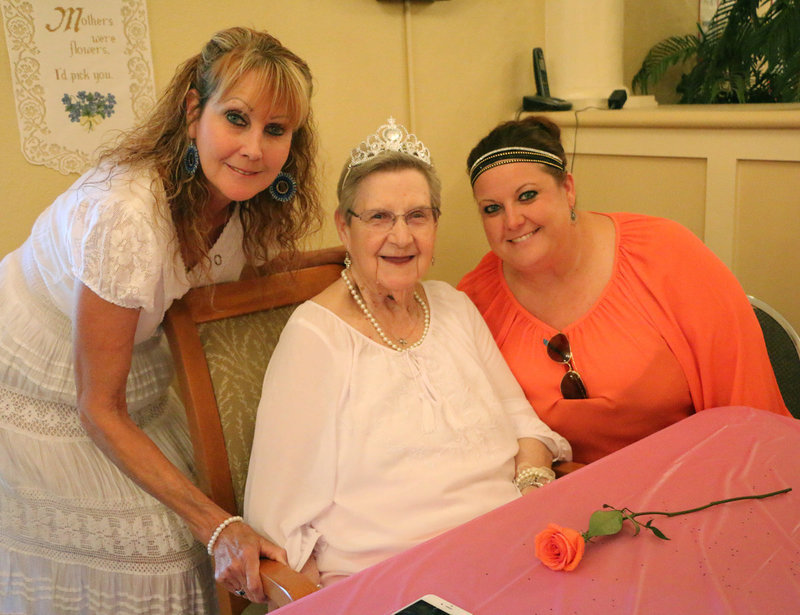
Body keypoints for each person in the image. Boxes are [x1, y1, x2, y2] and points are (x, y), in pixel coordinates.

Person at [0, 27, 321, 613]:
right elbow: (98, 407)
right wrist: (217, 525)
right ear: (193, 111)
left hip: (127, 374)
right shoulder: (126, 217)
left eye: (275, 130)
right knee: (164, 549)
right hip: (33, 381)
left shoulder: (246, 208)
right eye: (237, 118)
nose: (254, 148)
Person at [244, 118, 571, 587]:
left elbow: (523, 426)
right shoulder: (316, 337)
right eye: (379, 217)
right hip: (396, 582)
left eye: (418, 216)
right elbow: (276, 524)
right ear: (344, 226)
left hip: (515, 554)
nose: (401, 237)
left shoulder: (454, 306)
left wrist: (533, 500)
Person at [457, 116, 790, 466]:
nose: (512, 221)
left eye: (527, 196)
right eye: (492, 209)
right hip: (554, 502)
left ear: (567, 190)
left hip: (693, 484)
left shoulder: (666, 256)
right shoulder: (475, 301)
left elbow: (749, 414)